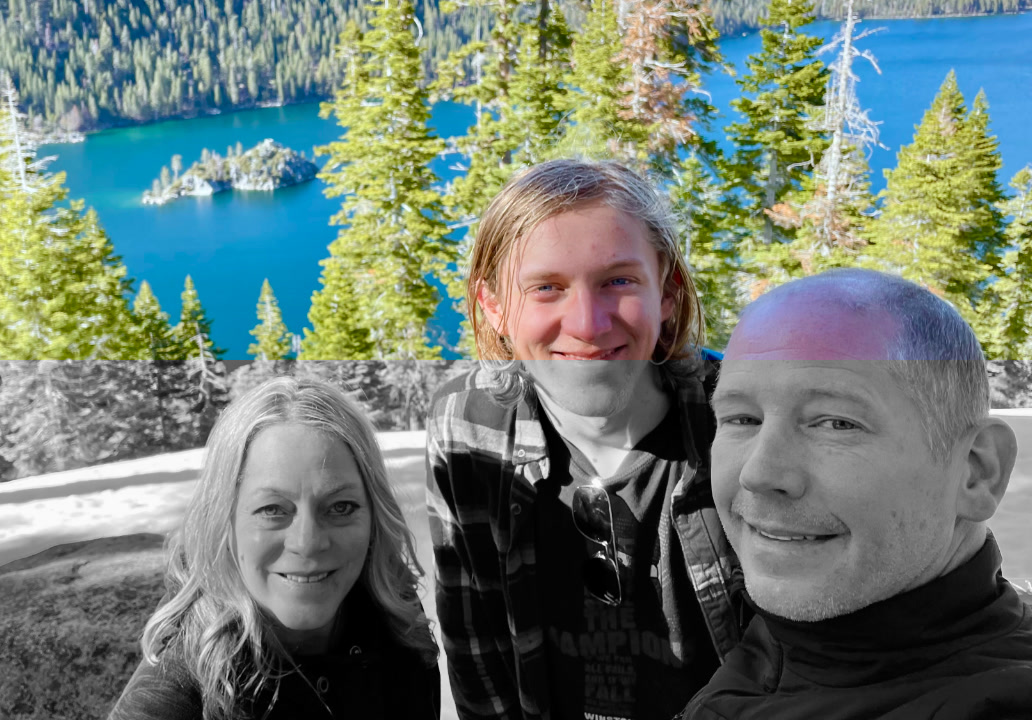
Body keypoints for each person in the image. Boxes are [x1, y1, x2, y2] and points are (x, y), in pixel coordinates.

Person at [427, 159, 745, 720]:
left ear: (667, 291)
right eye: (547, 288)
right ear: (495, 306)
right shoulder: (466, 425)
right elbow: (478, 653)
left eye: (618, 281)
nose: (588, 324)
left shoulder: (741, 421)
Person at [681, 268, 1032, 720]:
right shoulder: (797, 637)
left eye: (836, 423)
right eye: (742, 419)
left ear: (976, 472)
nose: (759, 473)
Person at [109, 376, 440, 720]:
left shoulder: (395, 614)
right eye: (272, 510)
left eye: (340, 507)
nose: (308, 542)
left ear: (374, 515)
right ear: (224, 521)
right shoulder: (179, 688)